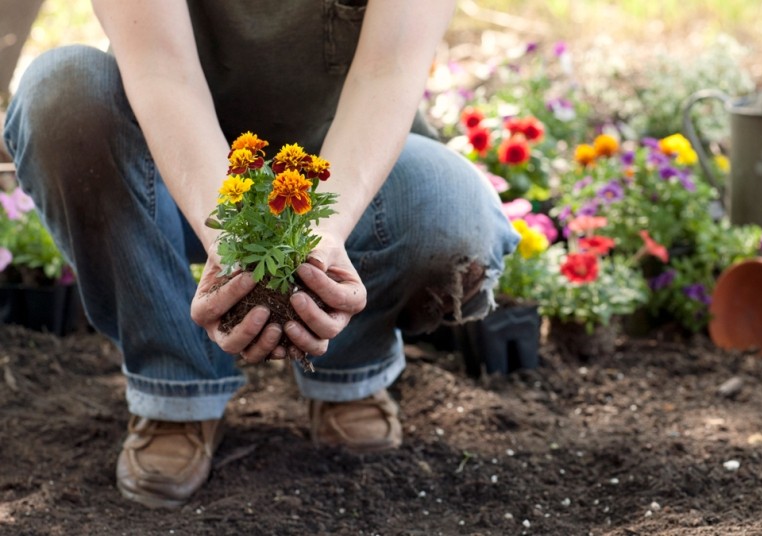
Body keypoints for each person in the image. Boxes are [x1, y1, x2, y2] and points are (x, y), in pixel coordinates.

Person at [3, 0, 519, 509]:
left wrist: (322, 233)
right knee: (60, 93)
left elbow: (389, 71)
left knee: (453, 211)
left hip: (343, 167)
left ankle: (349, 369)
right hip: (178, 168)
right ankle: (176, 388)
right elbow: (162, 70)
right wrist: (232, 237)